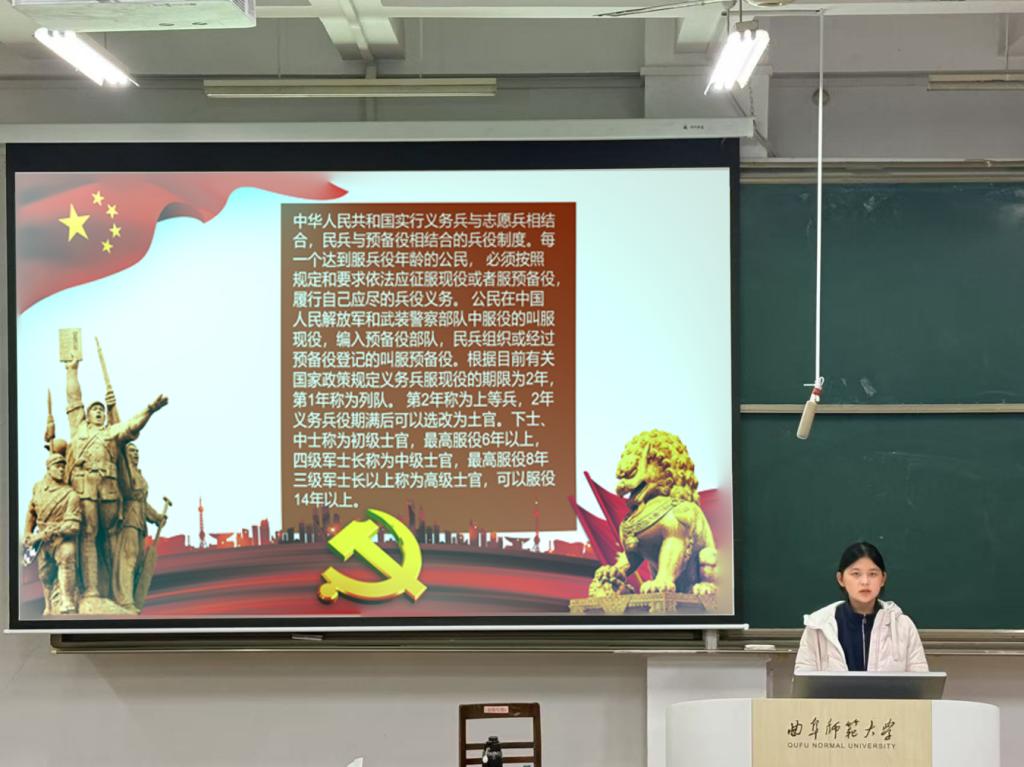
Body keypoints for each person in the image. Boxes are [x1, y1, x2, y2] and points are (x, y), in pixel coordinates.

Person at [64, 358, 168, 599]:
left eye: (102, 410)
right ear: (87, 415)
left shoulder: (112, 432)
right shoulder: (78, 429)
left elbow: (132, 426)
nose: (99, 412)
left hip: (109, 492)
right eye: (95, 410)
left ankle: (115, 591)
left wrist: (149, 410)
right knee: (89, 536)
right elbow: (73, 398)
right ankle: (92, 589)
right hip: (85, 489)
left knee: (113, 538)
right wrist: (72, 370)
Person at [795, 541, 928, 673]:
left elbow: (920, 682)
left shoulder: (903, 626)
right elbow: (804, 681)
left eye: (872, 574)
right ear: (841, 579)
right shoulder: (819, 626)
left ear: (883, 579)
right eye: (856, 574)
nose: (865, 582)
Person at [23, 452, 82, 615]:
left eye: (63, 466)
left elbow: (72, 526)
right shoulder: (38, 488)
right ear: (48, 468)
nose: (61, 469)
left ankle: (67, 600)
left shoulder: (71, 495)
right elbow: (31, 512)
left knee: (67, 556)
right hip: (41, 542)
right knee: (45, 574)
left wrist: (47, 533)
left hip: (61, 538)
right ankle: (48, 606)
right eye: (57, 466)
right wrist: (27, 532)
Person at [112, 442, 167, 612]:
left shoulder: (138, 474)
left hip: (139, 522)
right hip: (128, 520)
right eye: (131, 451)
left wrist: (156, 517)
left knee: (136, 562)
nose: (135, 454)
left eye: (137, 452)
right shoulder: (124, 473)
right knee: (128, 559)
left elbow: (142, 502)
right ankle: (125, 600)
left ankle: (131, 598)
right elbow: (130, 494)